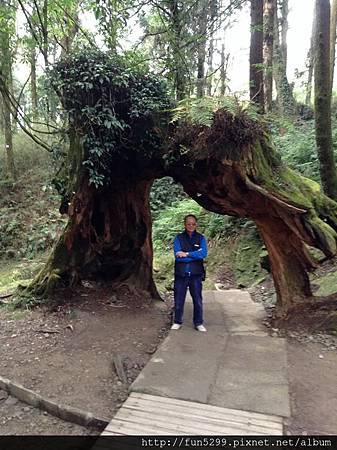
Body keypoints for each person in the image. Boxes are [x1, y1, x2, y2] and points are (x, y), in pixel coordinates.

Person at [171, 214, 208, 332]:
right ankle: (177, 321)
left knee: (197, 299)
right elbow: (177, 256)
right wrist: (194, 255)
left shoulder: (201, 238)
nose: (191, 226)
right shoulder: (179, 238)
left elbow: (203, 254)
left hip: (196, 274)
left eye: (193, 224)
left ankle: (198, 322)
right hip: (181, 273)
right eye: (188, 224)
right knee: (178, 299)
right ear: (185, 224)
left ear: (196, 225)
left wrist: (186, 254)